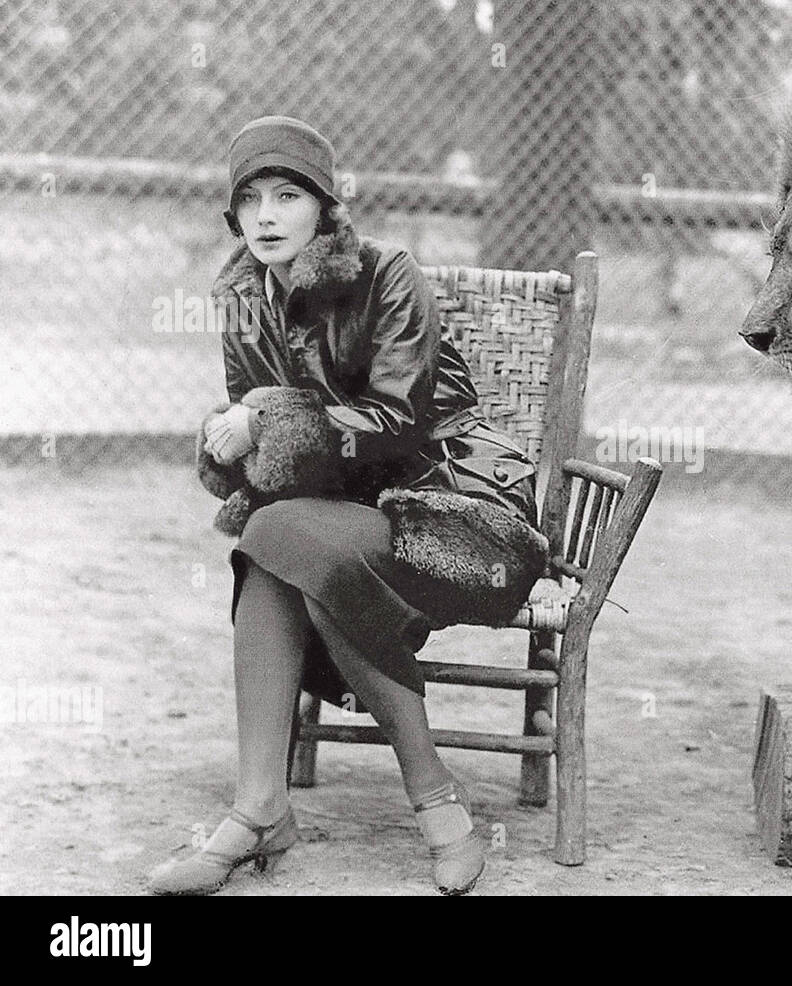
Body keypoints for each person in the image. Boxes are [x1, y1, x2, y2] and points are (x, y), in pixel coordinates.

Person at [148, 116, 543, 896]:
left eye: (287, 195)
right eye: (249, 200)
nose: (265, 216)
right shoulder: (244, 297)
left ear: (326, 208)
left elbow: (398, 424)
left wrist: (264, 423)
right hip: (341, 524)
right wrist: (239, 441)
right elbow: (274, 459)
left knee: (282, 538)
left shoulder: (388, 273)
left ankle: (300, 807)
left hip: (454, 507)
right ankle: (309, 804)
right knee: (278, 537)